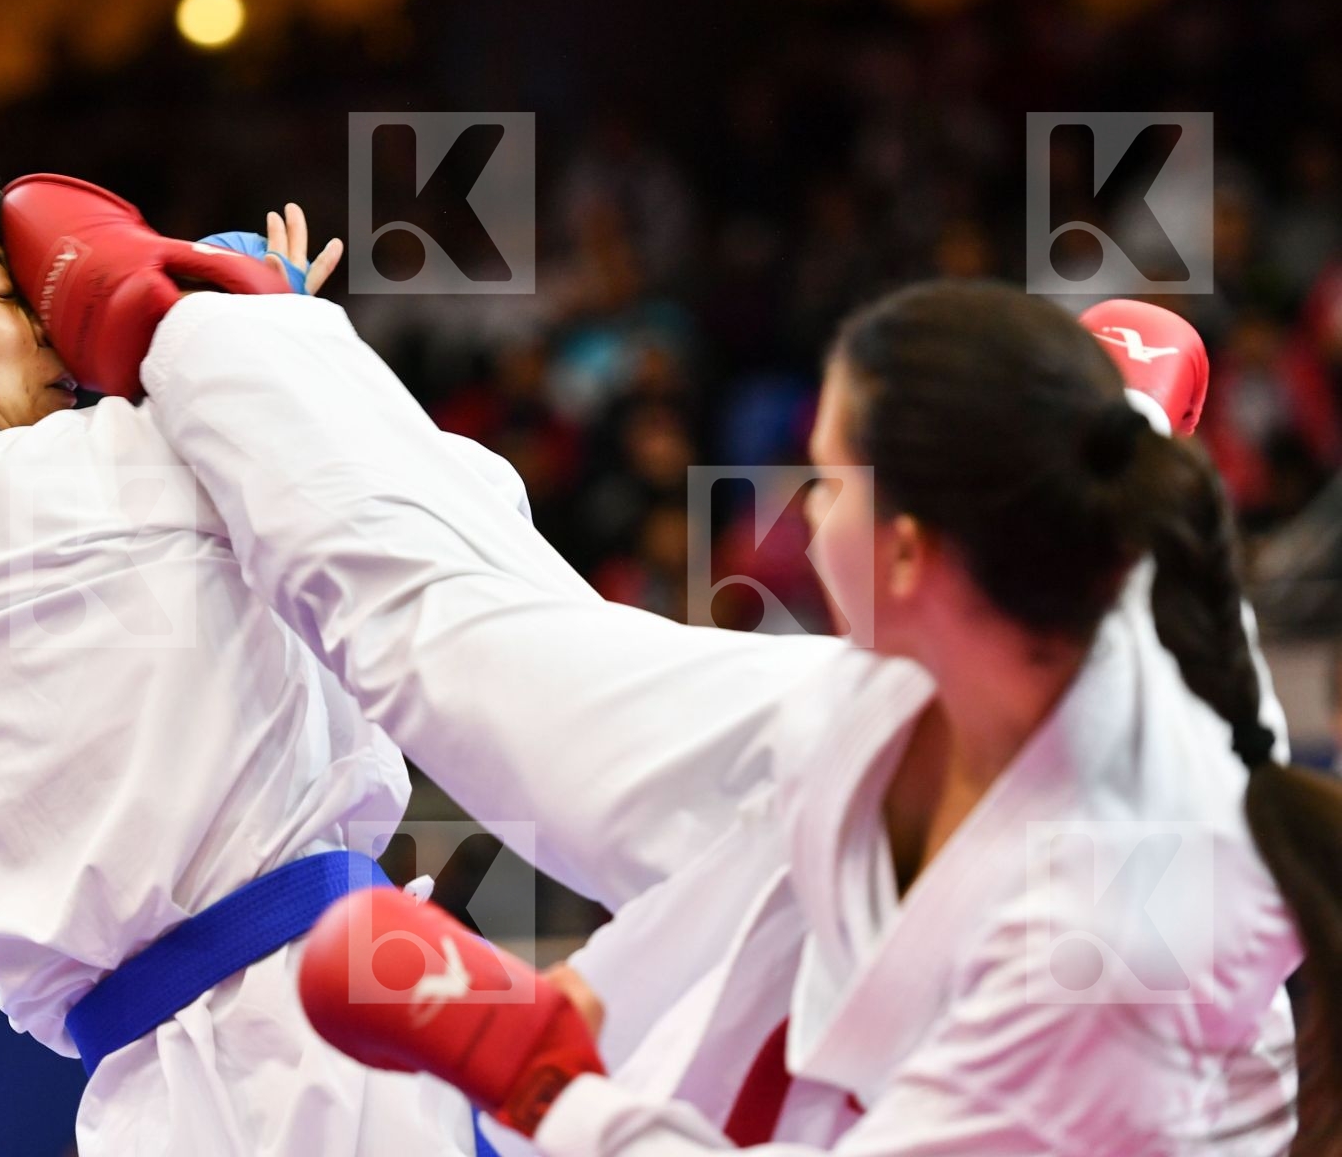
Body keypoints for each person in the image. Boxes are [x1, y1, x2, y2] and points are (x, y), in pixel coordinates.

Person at [114, 281, 1341, 1154]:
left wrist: (534, 1076)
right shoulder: (909, 699)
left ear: (910, 553)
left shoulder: (1106, 943)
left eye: (830, 478)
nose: (799, 515)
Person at [0, 168, 501, 1157]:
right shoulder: (111, 459)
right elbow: (462, 508)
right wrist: (266, 343)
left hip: (140, 1108)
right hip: (335, 1042)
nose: (53, 333)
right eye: (14, 300)